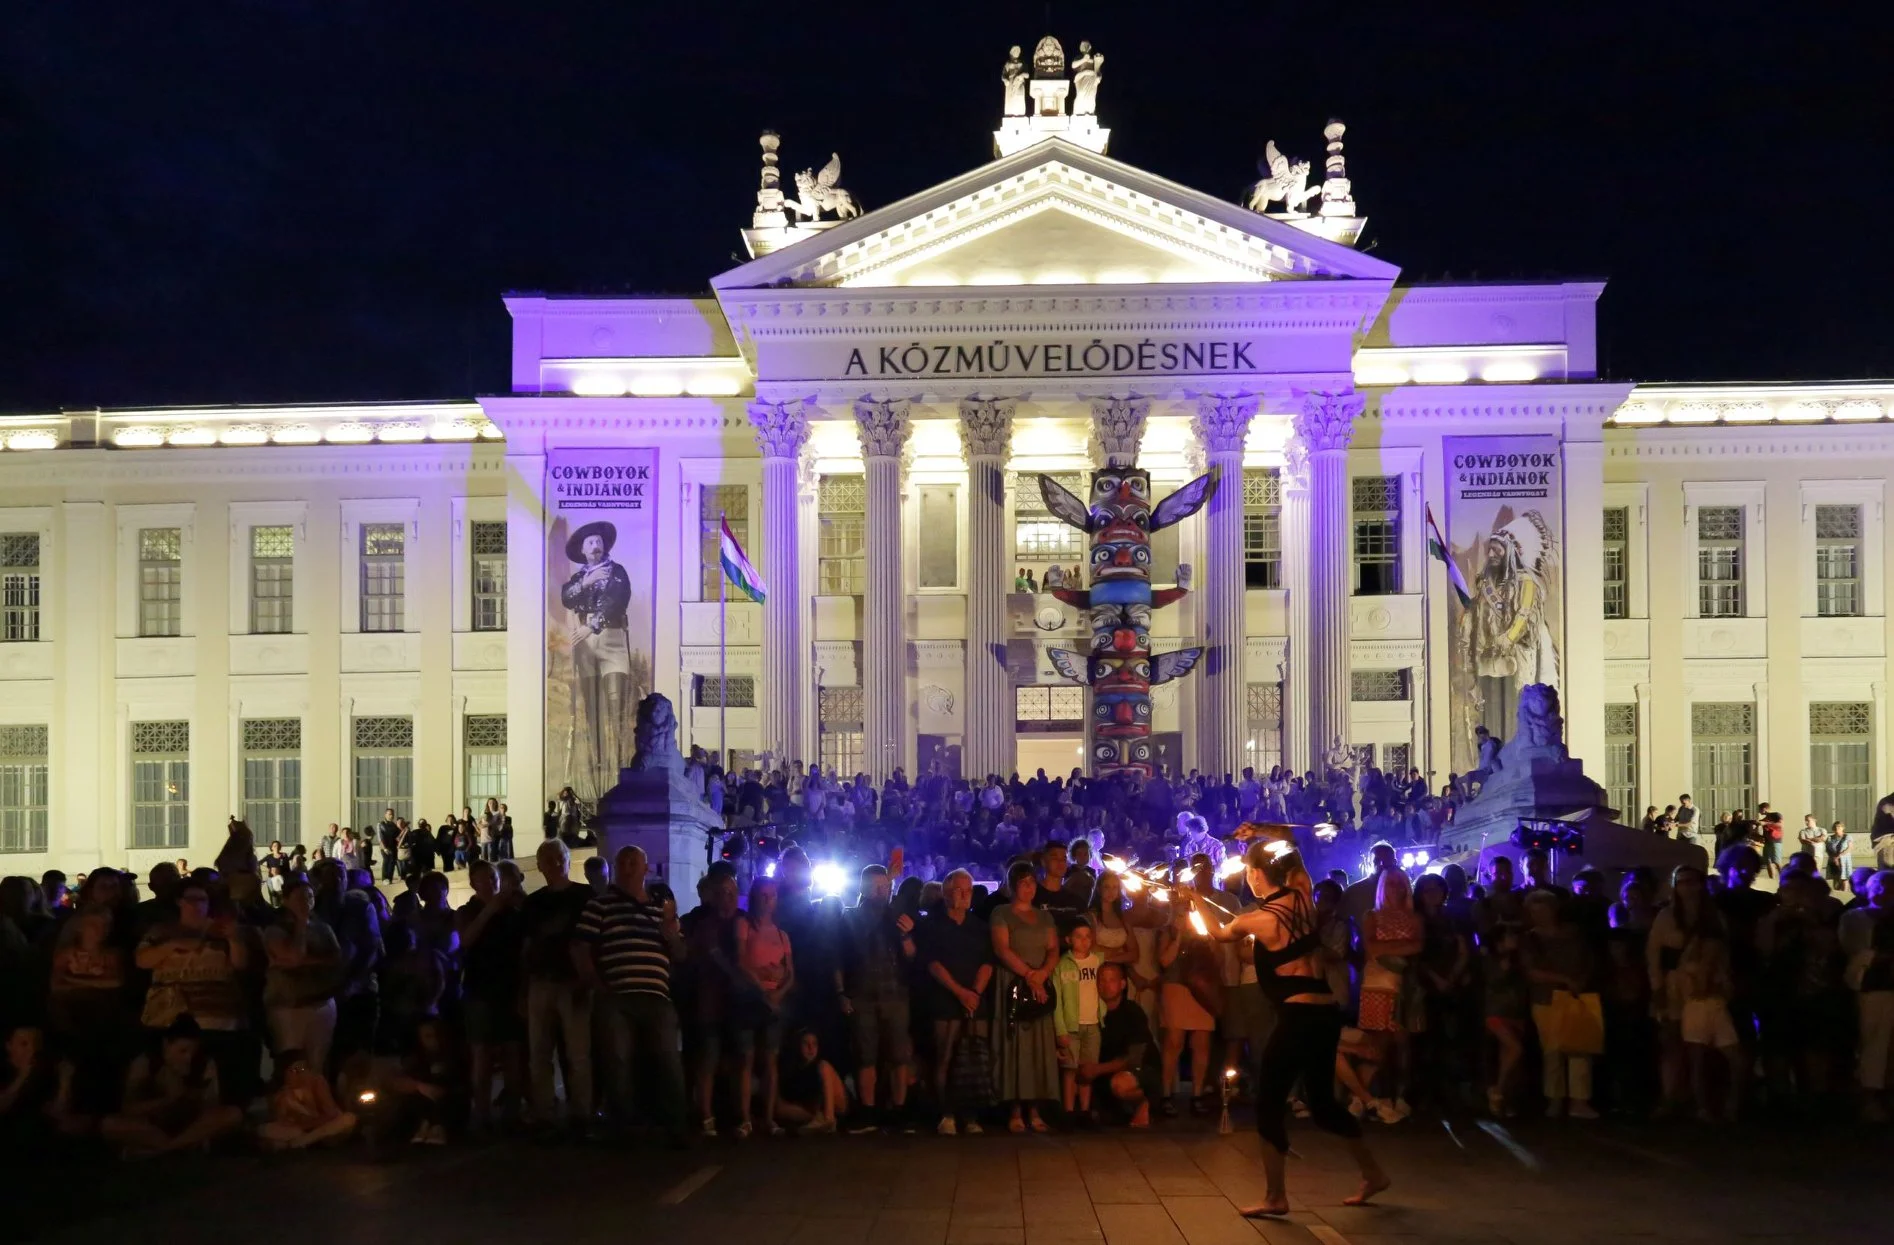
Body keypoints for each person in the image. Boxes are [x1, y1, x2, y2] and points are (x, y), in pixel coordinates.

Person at [1192, 839, 1388, 1217]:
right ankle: (1373, 1173)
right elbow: (1295, 860)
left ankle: (1275, 1196)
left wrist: (1194, 899)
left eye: (1249, 871)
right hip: (1325, 1014)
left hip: (1298, 1017)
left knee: (1268, 1103)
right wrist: (1269, 835)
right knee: (1323, 1105)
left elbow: (1217, 933)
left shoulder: (1260, 919)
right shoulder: (1302, 899)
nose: (1247, 877)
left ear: (1256, 875)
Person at [573, 845, 687, 1144]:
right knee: (618, 1062)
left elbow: (680, 953)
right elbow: (581, 948)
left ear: (645, 869)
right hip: (616, 995)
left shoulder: (660, 909)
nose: (627, 867)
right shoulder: (599, 905)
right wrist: (598, 985)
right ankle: (625, 1127)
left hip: (656, 995)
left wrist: (672, 933)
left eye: (633, 862)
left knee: (667, 1060)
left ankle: (675, 1124)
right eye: (622, 862)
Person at [133, 877, 255, 1105]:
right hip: (168, 1017)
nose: (198, 904)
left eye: (203, 899)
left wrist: (233, 938)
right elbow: (142, 960)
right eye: (192, 899)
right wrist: (172, 945)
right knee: (173, 1081)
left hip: (219, 1017)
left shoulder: (221, 930)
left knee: (218, 1084)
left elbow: (240, 964)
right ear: (179, 901)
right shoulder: (161, 931)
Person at [834, 863, 917, 1132]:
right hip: (862, 994)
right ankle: (868, 1111)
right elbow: (839, 958)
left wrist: (906, 935)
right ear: (863, 887)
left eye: (886, 886)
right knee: (865, 1055)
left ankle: (899, 1110)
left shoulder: (897, 917)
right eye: (877, 887)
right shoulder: (850, 917)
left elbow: (912, 956)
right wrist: (841, 993)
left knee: (899, 1055)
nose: (883, 892)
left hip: (895, 994)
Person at [521, 839, 595, 1134]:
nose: (554, 864)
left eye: (558, 858)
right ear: (540, 865)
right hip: (542, 981)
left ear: (567, 861)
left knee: (578, 1054)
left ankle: (581, 1113)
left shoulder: (586, 896)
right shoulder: (533, 903)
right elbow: (526, 947)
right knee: (540, 1053)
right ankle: (546, 1114)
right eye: (548, 860)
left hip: (573, 982)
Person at [98, 1018, 244, 1157]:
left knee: (233, 1114)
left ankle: (164, 1149)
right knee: (109, 1124)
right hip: (152, 1126)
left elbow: (212, 1107)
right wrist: (167, 1100)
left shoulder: (204, 1064)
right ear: (166, 1045)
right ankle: (179, 1146)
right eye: (183, 1051)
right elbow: (129, 1109)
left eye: (193, 1052)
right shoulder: (146, 1063)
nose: (188, 1058)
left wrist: (192, 1097)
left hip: (190, 1126)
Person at [919, 868, 992, 1135]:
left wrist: (975, 993)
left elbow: (987, 962)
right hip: (945, 999)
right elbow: (932, 964)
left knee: (973, 1058)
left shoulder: (978, 926)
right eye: (959, 890)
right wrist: (960, 992)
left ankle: (971, 1114)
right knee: (946, 1056)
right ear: (947, 893)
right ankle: (946, 1112)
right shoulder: (932, 925)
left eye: (969, 890)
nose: (965, 895)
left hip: (974, 1000)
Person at [990, 860, 1060, 1133]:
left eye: (1032, 882)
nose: (1029, 888)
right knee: (1015, 1045)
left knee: (1038, 1046)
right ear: (1013, 886)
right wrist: (1030, 976)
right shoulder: (1001, 913)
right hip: (1014, 984)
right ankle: (1015, 1109)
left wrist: (1042, 975)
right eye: (1023, 883)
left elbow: (1053, 949)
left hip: (1039, 983)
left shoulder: (1045, 917)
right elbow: (1002, 949)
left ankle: (1035, 1108)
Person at [458, 859, 527, 1133]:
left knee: (513, 1052)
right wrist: (488, 911)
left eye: (494, 878)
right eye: (484, 879)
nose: (490, 883)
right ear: (473, 883)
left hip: (509, 988)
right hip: (480, 989)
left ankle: (513, 1112)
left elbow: (522, 951)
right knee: (482, 1053)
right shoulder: (467, 912)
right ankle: (482, 1112)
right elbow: (465, 940)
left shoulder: (512, 914)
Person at [1522, 889, 1599, 1119]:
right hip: (1546, 999)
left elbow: (1588, 960)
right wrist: (1565, 980)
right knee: (1553, 1050)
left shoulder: (1573, 934)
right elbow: (1531, 971)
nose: (1539, 916)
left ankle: (1579, 1101)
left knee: (1580, 1048)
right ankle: (1555, 1099)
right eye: (1534, 912)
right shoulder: (1530, 939)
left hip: (1576, 997)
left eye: (1543, 910)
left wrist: (1581, 980)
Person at [262, 878, 343, 1078]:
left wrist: (302, 961)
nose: (306, 901)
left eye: (310, 896)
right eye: (300, 897)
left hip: (321, 1003)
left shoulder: (323, 928)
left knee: (319, 1063)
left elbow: (336, 959)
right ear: (285, 900)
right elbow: (294, 956)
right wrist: (300, 925)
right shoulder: (274, 930)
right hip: (289, 1008)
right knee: (292, 1064)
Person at [740, 876, 795, 1137]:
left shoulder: (782, 935)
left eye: (771, 895)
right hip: (750, 1000)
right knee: (746, 1058)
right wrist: (762, 991)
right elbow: (741, 960)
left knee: (771, 1060)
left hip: (774, 1002)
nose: (767, 900)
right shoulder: (744, 926)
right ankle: (744, 1119)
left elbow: (790, 972)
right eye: (763, 894)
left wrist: (778, 994)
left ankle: (769, 1118)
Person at [1840, 870, 1894, 1121]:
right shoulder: (1855, 917)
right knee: (1874, 1043)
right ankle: (1870, 1098)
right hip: (1872, 987)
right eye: (1883, 887)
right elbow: (1854, 950)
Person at [1082, 961, 1157, 1127]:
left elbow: (1134, 1058)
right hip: (1105, 1071)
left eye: (1111, 980)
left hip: (1139, 1071)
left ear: (1122, 984)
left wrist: (1097, 1069)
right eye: (1102, 980)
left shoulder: (1132, 1012)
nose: (1106, 985)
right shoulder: (1093, 1012)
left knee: (1120, 1084)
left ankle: (1145, 1102)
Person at [256, 1049, 358, 1150]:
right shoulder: (281, 1094)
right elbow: (282, 1120)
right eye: (295, 1070)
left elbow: (331, 1113)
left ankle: (303, 1141)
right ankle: (302, 1142)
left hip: (323, 1128)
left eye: (303, 1069)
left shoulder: (317, 1081)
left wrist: (311, 1124)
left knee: (348, 1118)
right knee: (266, 1129)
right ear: (283, 1072)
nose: (300, 1074)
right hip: (300, 1130)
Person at [1054, 919, 1104, 1121]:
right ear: (1068, 939)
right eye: (1078, 936)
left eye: (1087, 936)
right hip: (1071, 1025)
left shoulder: (1098, 961)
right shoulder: (1061, 965)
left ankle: (1084, 1111)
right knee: (1070, 1070)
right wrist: (1061, 1030)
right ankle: (1068, 1112)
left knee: (1087, 1070)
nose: (1084, 941)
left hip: (1093, 1023)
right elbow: (1057, 1000)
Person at [773, 1028, 846, 1134]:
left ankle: (827, 1120)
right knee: (779, 1109)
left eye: (814, 1044)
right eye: (805, 1043)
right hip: (813, 1112)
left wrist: (828, 1116)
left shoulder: (821, 1066)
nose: (811, 1048)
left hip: (837, 1110)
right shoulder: (794, 1068)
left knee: (824, 1067)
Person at [1827, 822, 1854, 892]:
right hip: (1833, 860)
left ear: (1843, 828)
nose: (1837, 828)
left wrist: (1839, 856)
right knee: (1836, 879)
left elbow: (1850, 848)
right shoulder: (1829, 838)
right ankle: (1837, 894)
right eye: (1835, 827)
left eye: (1839, 826)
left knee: (1845, 878)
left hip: (1844, 860)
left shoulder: (1847, 837)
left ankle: (1844, 894)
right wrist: (1834, 858)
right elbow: (1828, 849)